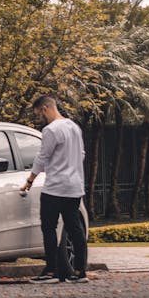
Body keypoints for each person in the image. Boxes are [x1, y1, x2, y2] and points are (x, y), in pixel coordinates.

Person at [21, 95, 88, 284]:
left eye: (38, 114)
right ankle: (80, 271)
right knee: (75, 228)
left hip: (55, 187)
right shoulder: (74, 127)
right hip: (74, 186)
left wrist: (30, 180)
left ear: (44, 108)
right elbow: (81, 154)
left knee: (49, 228)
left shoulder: (50, 130)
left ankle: (51, 271)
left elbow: (42, 157)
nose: (39, 118)